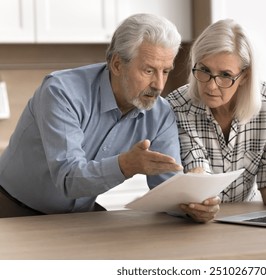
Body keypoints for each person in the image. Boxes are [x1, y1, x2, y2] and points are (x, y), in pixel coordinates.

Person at [0, 13, 184, 218]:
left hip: (80, 214)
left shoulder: (160, 113)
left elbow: (168, 189)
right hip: (13, 209)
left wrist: (191, 205)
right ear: (117, 65)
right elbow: (68, 178)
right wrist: (126, 165)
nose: (159, 85)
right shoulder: (62, 92)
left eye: (166, 71)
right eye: (149, 71)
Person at [167, 19, 266, 223]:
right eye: (204, 70)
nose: (212, 87)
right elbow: (197, 170)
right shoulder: (177, 105)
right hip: (190, 223)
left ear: (245, 77)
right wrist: (202, 202)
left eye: (225, 75)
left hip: (245, 220)